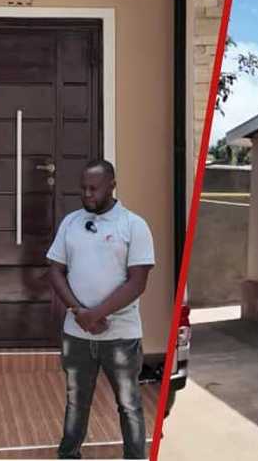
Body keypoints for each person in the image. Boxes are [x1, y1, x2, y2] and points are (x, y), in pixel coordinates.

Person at [48, 159, 155, 460]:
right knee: (76, 402)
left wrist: (93, 315)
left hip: (120, 336)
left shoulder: (134, 225)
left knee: (129, 404)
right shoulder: (70, 223)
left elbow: (137, 283)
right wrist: (78, 311)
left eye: (93, 188)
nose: (87, 194)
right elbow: (55, 271)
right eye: (83, 188)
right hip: (77, 334)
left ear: (112, 185)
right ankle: (69, 455)